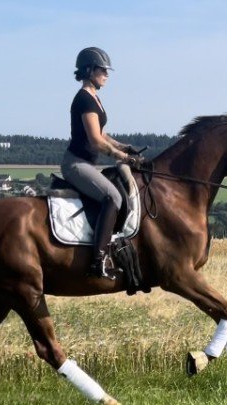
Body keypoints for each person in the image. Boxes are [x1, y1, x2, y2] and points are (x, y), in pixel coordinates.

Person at [62, 47, 140, 279]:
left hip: (87, 163)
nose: (107, 74)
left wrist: (125, 146)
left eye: (107, 70)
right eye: (102, 69)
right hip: (76, 164)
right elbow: (95, 141)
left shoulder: (95, 98)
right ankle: (98, 261)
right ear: (89, 70)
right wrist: (123, 157)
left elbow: (103, 135)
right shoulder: (84, 99)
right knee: (113, 197)